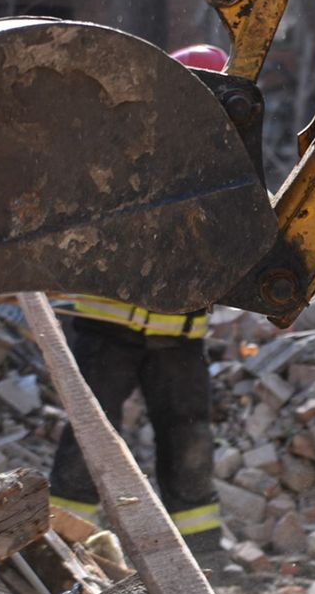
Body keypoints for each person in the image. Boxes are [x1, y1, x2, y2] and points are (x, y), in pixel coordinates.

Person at [48, 45, 230, 556]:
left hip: (179, 336)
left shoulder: (224, 162)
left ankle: (203, 553)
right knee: (90, 439)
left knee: (188, 440)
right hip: (108, 329)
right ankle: (65, 546)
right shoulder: (126, 146)